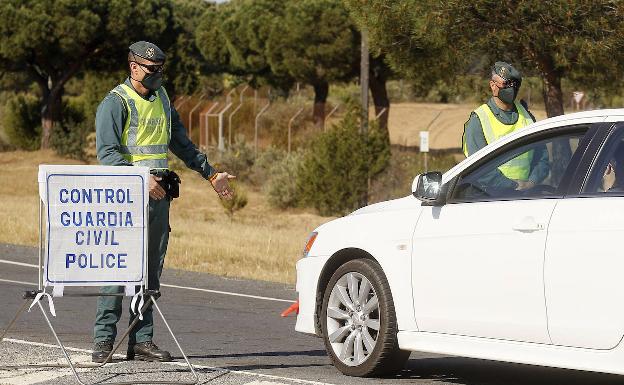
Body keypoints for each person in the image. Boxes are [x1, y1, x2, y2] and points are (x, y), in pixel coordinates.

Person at [93, 41, 235, 363]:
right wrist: (141, 179)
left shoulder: (162, 99)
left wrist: (211, 174)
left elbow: (181, 144)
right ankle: (103, 340)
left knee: (149, 270)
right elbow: (108, 155)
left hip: (158, 199)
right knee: (118, 269)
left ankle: (141, 340)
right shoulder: (116, 103)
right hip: (125, 198)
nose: (158, 75)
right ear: (134, 68)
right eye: (151, 70)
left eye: (160, 70)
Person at [462, 61, 549, 191]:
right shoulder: (479, 119)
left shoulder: (527, 117)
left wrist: (531, 183)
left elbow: (542, 158)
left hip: (526, 196)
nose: (512, 88)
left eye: (515, 84)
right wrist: (511, 186)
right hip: (489, 196)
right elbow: (478, 167)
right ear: (493, 85)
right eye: (507, 84)